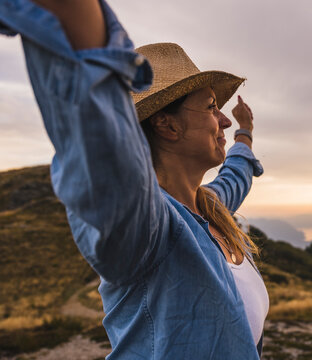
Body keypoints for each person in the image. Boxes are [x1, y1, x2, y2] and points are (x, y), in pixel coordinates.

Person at [0, 0, 268, 359]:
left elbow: (235, 178)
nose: (224, 121)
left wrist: (245, 135)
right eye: (210, 107)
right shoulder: (149, 227)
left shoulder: (208, 207)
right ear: (166, 124)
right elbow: (107, 162)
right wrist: (74, 24)